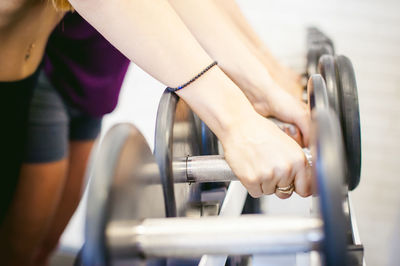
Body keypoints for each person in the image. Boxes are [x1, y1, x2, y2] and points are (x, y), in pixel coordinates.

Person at [0, 0, 311, 265]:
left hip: (23, 81)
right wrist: (237, 122)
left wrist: (264, 84)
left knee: (35, 248)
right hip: (26, 82)